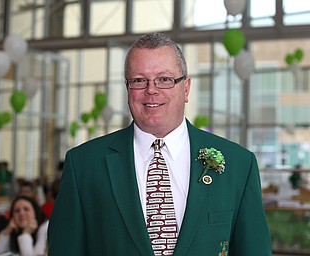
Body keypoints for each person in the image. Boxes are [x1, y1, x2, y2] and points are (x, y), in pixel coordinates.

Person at [48, 32, 272, 255]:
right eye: (139, 80)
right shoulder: (84, 165)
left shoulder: (239, 165)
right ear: (128, 89)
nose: (151, 90)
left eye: (164, 79)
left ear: (186, 88)